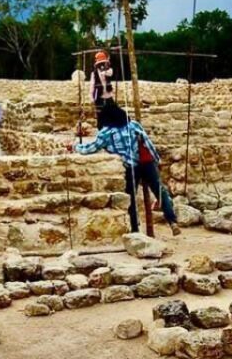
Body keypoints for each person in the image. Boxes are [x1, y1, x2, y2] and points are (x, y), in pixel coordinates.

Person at [68, 100, 181, 236]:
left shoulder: (106, 133)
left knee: (130, 198)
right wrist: (157, 160)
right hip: (146, 163)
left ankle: (135, 229)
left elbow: (90, 148)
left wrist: (75, 146)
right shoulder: (133, 125)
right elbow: (148, 144)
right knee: (159, 191)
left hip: (128, 167)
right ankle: (172, 221)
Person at [89, 50, 115, 127]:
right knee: (100, 116)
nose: (101, 65)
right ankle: (101, 131)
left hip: (108, 96)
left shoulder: (109, 70)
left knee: (112, 114)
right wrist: (91, 97)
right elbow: (92, 85)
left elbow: (110, 73)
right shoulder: (93, 74)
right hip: (99, 97)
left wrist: (104, 71)